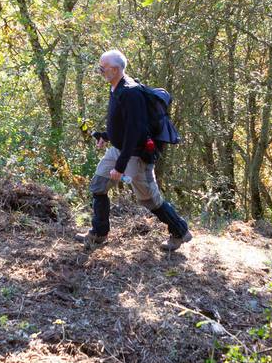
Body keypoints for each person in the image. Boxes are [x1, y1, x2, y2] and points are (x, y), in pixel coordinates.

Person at [77, 49, 193, 253]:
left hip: (136, 155)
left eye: (101, 68)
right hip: (119, 149)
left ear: (115, 69)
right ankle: (99, 233)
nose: (99, 71)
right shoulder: (116, 87)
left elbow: (135, 132)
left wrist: (121, 167)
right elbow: (123, 124)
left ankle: (180, 232)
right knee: (98, 185)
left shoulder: (131, 93)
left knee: (149, 199)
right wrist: (106, 135)